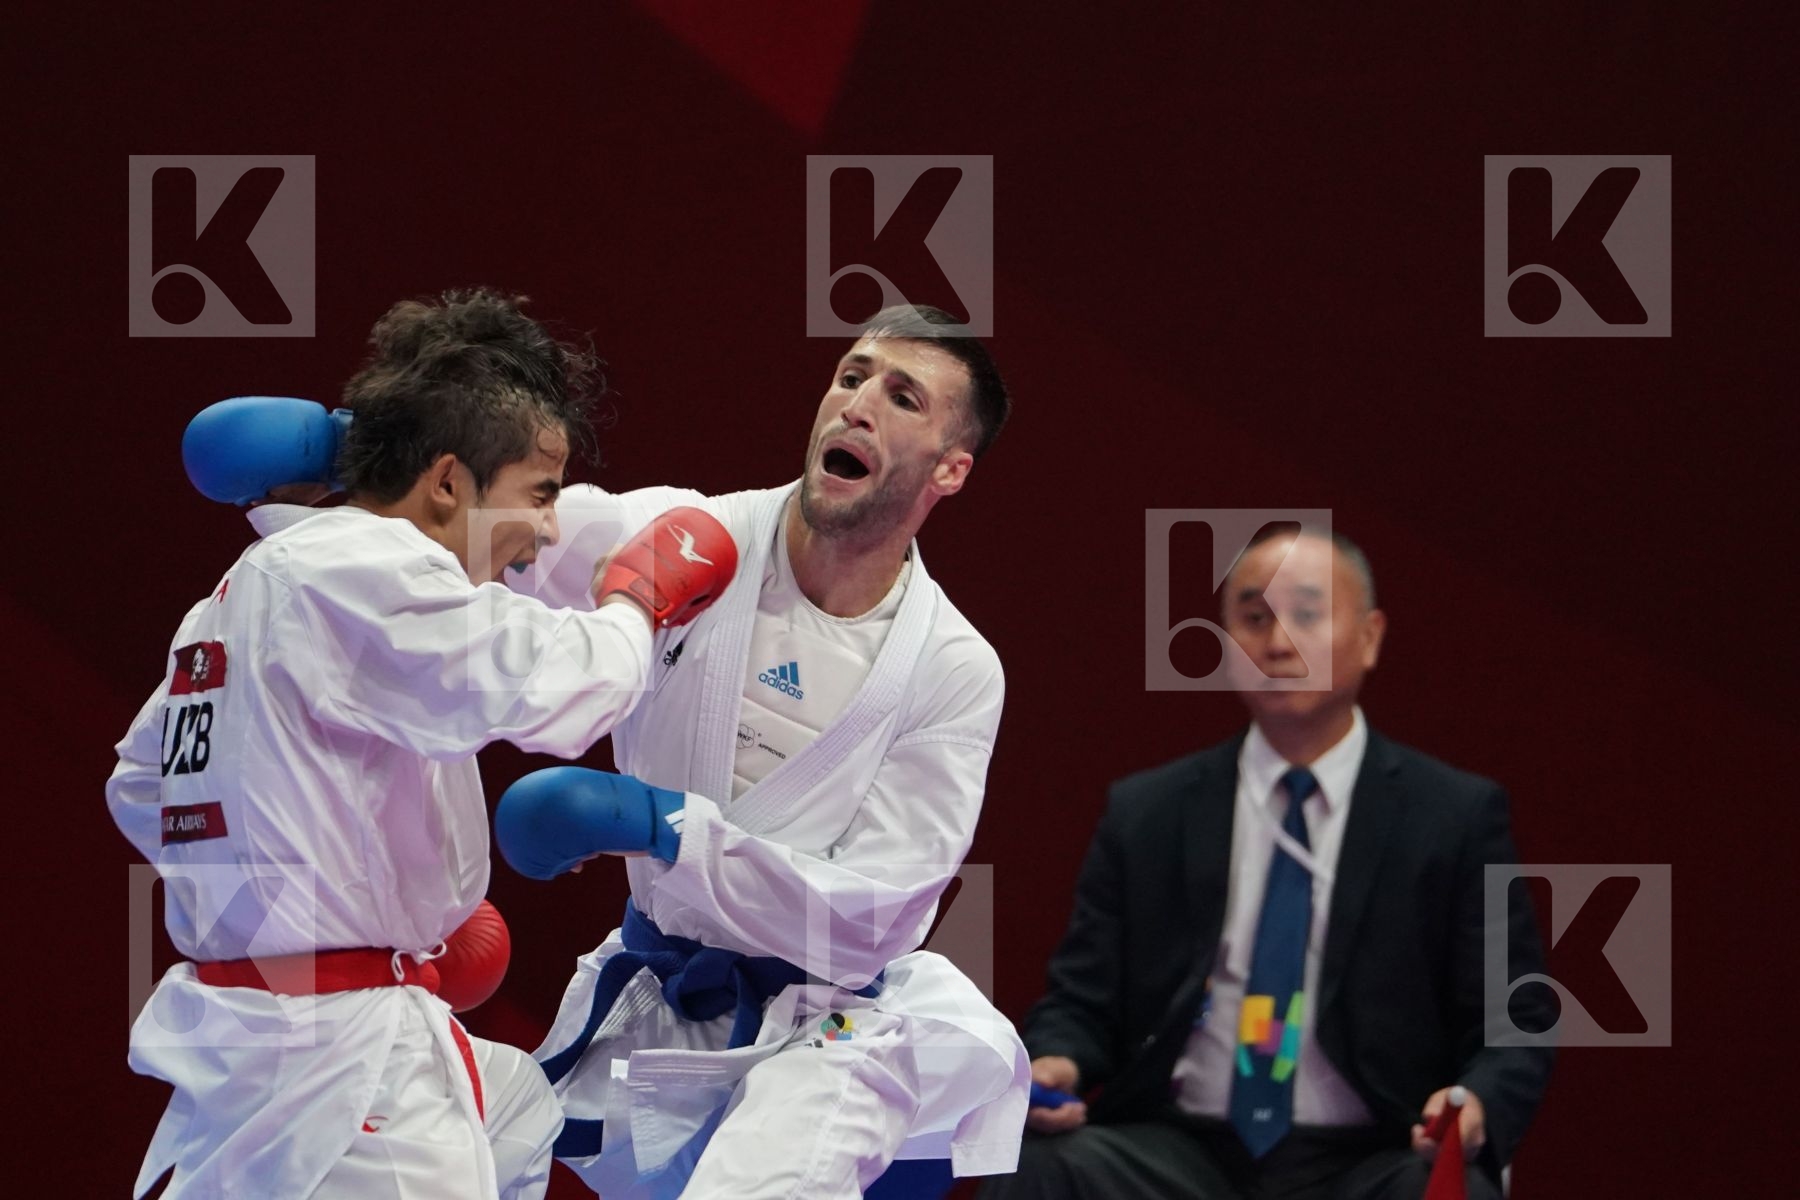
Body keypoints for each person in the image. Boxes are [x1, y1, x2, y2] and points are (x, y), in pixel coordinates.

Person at [106, 289, 733, 1199]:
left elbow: (141, 784)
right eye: (540, 494)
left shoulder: (240, 593)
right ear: (446, 482)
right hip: (343, 1068)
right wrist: (640, 597)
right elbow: (563, 687)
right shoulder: (360, 568)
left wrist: (313, 888)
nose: (548, 529)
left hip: (269, 1030)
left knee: (515, 1107)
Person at [494, 304, 1031, 1198]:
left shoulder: (952, 667)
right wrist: (359, 458)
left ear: (952, 467)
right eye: (852, 375)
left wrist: (664, 827)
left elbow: (874, 917)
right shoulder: (691, 539)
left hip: (832, 1028)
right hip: (659, 994)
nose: (858, 404)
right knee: (456, 1152)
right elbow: (505, 529)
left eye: (903, 397)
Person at [984, 527, 1554, 1200]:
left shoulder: (1453, 817)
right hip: (1181, 1150)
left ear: (1370, 636)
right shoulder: (1151, 812)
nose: (1279, 643)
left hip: (1369, 1154)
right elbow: (1081, 1002)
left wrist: (1475, 1103)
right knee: (1043, 1168)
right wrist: (1057, 1062)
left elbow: (1514, 1018)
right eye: (1254, 618)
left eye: (1307, 615)